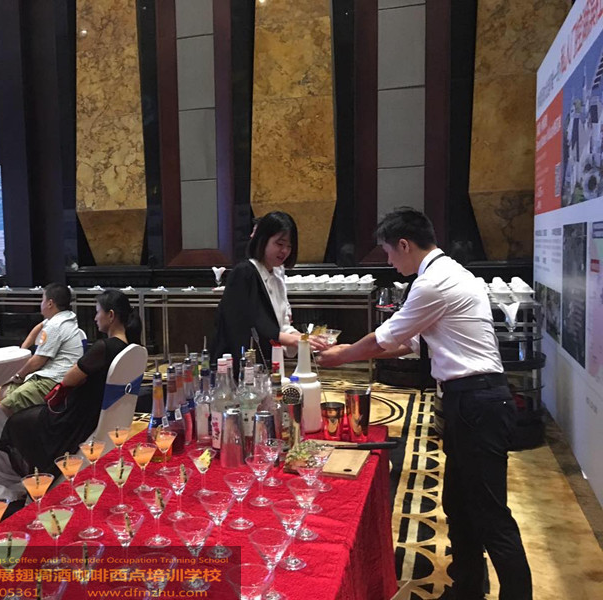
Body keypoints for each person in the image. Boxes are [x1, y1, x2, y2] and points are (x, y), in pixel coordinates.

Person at [314, 208, 531, 600]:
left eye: (388, 253)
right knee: (459, 505)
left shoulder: (434, 282)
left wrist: (340, 356)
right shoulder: (448, 274)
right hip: (470, 400)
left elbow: (384, 338)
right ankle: (467, 588)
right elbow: (406, 343)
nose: (389, 262)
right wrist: (348, 351)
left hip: (477, 402)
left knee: (490, 515)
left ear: (404, 244)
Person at [0, 289, 142, 476]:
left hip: (75, 417)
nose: (95, 318)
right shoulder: (130, 348)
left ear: (111, 315)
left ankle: (39, 475)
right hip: (98, 413)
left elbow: (68, 379)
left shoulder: (103, 347)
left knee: (16, 422)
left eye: (98, 312)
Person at [212, 211, 301, 374]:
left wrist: (302, 338)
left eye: (289, 246)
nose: (285, 251)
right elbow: (248, 323)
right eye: (280, 244)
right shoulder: (244, 272)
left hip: (265, 362)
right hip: (238, 364)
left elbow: (281, 322)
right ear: (262, 240)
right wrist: (295, 340)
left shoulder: (277, 274)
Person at [0, 283, 84, 416]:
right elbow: (39, 327)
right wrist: (23, 349)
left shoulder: (55, 325)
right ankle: (23, 423)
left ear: (50, 303)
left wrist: (18, 376)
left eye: (42, 300)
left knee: (2, 409)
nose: (41, 304)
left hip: (53, 380)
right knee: (6, 390)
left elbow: (38, 361)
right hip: (59, 376)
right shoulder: (66, 317)